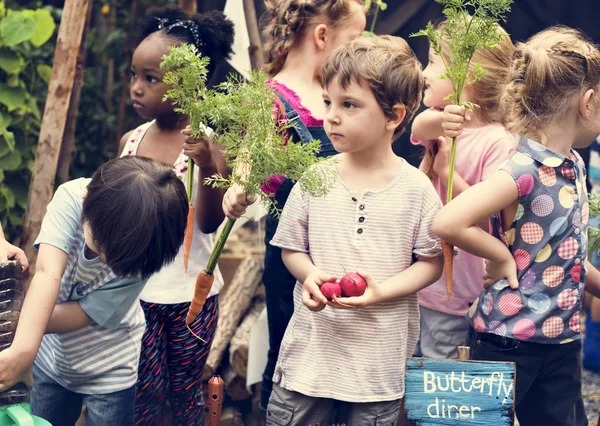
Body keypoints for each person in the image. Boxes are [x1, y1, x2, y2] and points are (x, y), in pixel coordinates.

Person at [265, 35, 443, 425]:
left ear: (394, 116)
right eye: (328, 101)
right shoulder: (315, 177)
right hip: (311, 359)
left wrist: (383, 291)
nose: (331, 116)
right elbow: (291, 249)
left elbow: (431, 263)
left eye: (349, 105)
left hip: (375, 368)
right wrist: (310, 275)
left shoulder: (416, 189)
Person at [433, 26, 600, 426]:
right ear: (588, 101)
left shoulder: (573, 165)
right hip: (506, 340)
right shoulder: (520, 168)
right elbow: (448, 220)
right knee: (477, 424)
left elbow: (567, 251)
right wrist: (499, 254)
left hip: (561, 340)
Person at [221, 0, 366, 413]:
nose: (360, 50)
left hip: (350, 249)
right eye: (353, 40)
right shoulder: (272, 99)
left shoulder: (342, 97)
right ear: (323, 37)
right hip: (292, 254)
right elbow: (250, 156)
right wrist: (238, 187)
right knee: (287, 352)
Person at [0, 156, 187, 426]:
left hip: (110, 370)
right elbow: (47, 274)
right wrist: (24, 352)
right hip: (51, 360)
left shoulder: (143, 255)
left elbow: (84, 313)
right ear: (89, 202)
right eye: (103, 246)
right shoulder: (71, 199)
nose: (108, 260)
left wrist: (19, 328)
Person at [118, 7, 233, 425]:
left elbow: (207, 223)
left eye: (151, 78)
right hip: (136, 295)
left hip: (190, 297)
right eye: (134, 75)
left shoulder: (209, 144)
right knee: (142, 389)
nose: (136, 88)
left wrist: (205, 165)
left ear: (189, 83)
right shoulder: (131, 141)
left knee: (184, 390)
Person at [410, 23, 515, 359]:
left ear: (466, 76)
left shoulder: (498, 141)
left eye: (433, 63)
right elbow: (415, 127)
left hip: (455, 294)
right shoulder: (439, 119)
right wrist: (441, 123)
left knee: (438, 369)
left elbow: (487, 221)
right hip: (419, 280)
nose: (425, 73)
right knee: (407, 367)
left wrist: (445, 172)